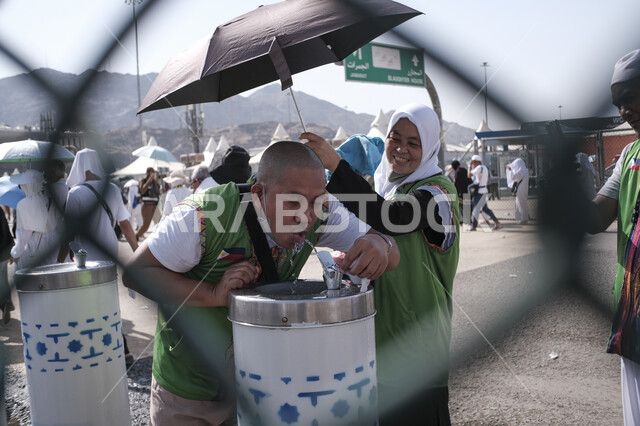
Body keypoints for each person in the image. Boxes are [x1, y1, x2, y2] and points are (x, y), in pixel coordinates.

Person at [122, 141, 400, 426]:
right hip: (189, 392)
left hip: (264, 388)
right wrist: (213, 293)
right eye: (292, 202)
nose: (306, 217)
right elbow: (135, 273)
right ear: (258, 193)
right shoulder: (202, 216)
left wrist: (381, 244)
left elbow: (392, 251)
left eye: (317, 201)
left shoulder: (324, 213)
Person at [303, 102, 460, 425]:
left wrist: (337, 164)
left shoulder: (439, 194)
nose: (401, 149)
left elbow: (395, 218)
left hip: (419, 358)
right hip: (377, 352)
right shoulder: (386, 190)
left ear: (429, 146)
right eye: (395, 138)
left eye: (413, 143)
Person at [589, 49, 640, 426]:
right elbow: (595, 218)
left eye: (630, 97)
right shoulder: (629, 156)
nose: (623, 111)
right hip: (635, 305)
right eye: (617, 103)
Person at [57, 148, 138, 262]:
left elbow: (70, 232)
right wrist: (137, 250)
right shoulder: (112, 188)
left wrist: (59, 261)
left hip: (86, 255)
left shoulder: (75, 193)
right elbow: (124, 224)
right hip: (110, 250)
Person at [9, 169, 61, 269]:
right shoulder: (50, 200)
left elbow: (23, 237)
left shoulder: (23, 205)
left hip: (31, 251)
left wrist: (14, 254)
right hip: (51, 250)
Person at [468, 154, 501, 231]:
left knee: (476, 209)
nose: (472, 164)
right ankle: (496, 221)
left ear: (477, 162)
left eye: (473, 162)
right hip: (483, 191)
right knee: (485, 209)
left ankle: (474, 226)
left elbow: (469, 175)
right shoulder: (484, 167)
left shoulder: (479, 167)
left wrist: (469, 166)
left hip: (479, 192)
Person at [136, 167, 162, 240]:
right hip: (147, 205)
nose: (152, 175)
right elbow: (142, 191)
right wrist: (148, 182)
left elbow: (158, 191)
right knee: (146, 225)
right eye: (151, 173)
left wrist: (156, 182)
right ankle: (136, 236)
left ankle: (159, 238)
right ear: (147, 173)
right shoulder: (143, 180)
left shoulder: (154, 181)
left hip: (155, 205)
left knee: (160, 221)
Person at [506, 158, 530, 224]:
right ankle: (524, 217)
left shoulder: (521, 170)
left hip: (521, 188)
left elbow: (513, 177)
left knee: (521, 203)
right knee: (521, 203)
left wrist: (510, 170)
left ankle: (524, 219)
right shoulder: (525, 170)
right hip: (523, 187)